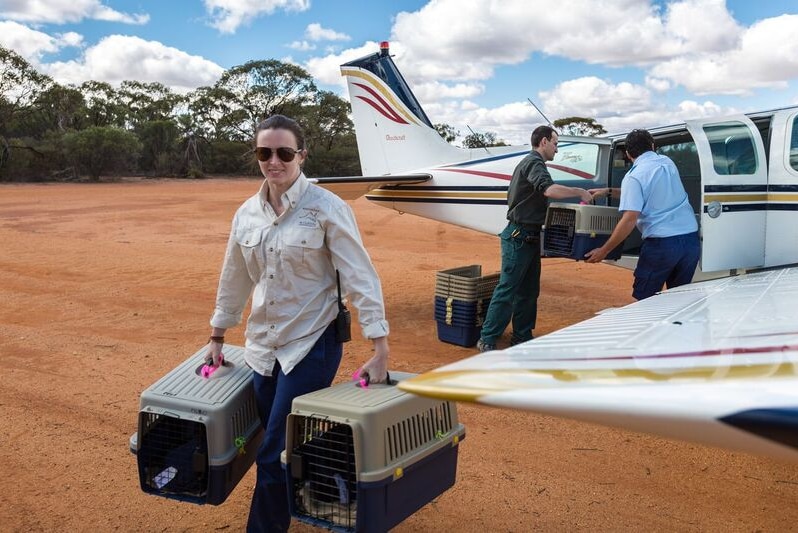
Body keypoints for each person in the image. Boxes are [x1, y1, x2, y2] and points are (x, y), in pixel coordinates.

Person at [205, 114, 390, 532]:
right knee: (284, 439)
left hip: (311, 342)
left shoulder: (326, 208)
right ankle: (324, 488)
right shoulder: (247, 214)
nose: (274, 161)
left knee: (273, 450)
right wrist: (218, 334)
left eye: (284, 152)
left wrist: (380, 345)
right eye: (264, 153)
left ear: (301, 155)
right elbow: (233, 276)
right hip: (262, 347)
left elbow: (360, 275)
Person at [477, 125, 593, 352]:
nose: (556, 150)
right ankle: (487, 339)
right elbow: (548, 190)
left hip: (529, 236)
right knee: (507, 289)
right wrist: (580, 192)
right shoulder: (534, 163)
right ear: (543, 142)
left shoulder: (533, 163)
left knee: (528, 291)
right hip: (519, 236)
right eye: (555, 143)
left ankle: (522, 336)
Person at [585, 128, 699, 299]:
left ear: (628, 153)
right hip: (690, 241)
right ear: (652, 146)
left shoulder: (634, 177)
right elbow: (647, 191)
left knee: (645, 301)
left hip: (662, 245)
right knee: (679, 299)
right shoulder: (667, 162)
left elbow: (630, 219)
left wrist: (604, 250)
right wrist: (608, 191)